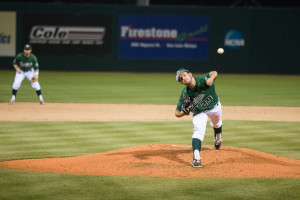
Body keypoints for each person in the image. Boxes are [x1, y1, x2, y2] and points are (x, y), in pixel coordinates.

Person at [175, 68, 222, 168]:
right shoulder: (186, 93)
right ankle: (196, 158)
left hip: (215, 107)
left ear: (190, 74)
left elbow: (214, 72)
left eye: (184, 75)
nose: (183, 78)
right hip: (199, 112)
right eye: (181, 79)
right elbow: (176, 113)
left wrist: (211, 78)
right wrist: (183, 112)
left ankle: (218, 138)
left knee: (217, 124)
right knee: (198, 132)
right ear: (182, 83)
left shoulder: (202, 80)